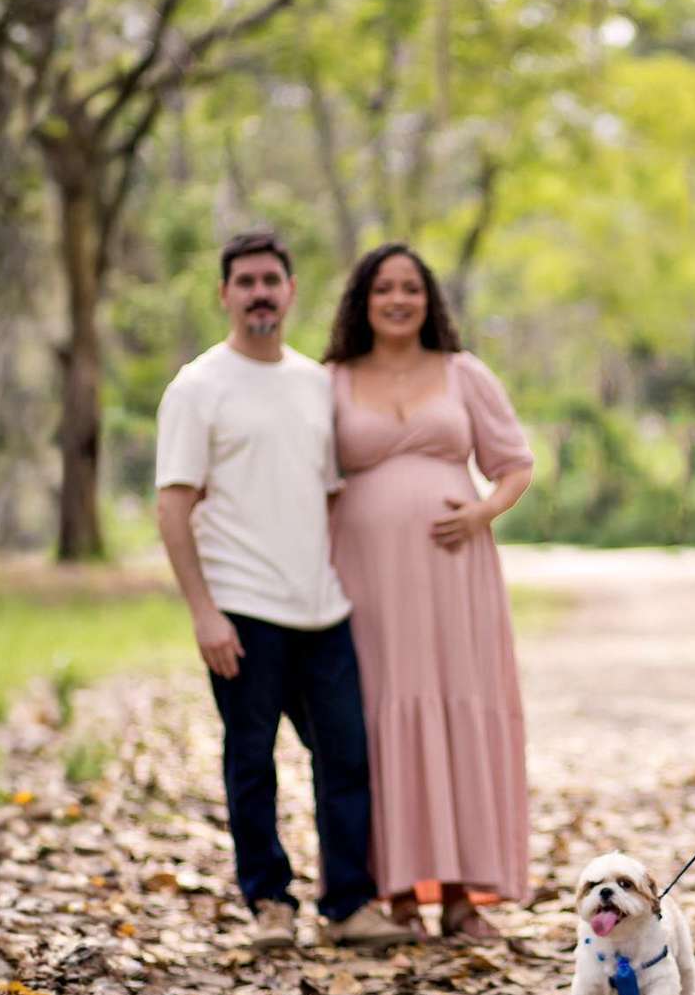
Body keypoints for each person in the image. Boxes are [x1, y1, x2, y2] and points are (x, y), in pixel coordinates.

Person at [155, 227, 403, 952]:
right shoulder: (199, 385)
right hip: (242, 608)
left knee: (347, 754)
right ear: (225, 294)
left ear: (291, 292)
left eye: (272, 280)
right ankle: (269, 902)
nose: (260, 293)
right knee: (252, 758)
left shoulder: (314, 383)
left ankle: (349, 904)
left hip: (321, 607)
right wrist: (204, 613)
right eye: (246, 282)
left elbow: (327, 498)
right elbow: (173, 508)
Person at [324, 243, 534, 941]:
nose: (397, 299)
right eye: (383, 287)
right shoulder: (331, 379)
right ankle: (395, 893)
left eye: (410, 287)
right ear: (363, 299)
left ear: (427, 299)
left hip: (455, 578)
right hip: (365, 578)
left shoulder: (462, 373)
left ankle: (460, 896)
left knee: (456, 710)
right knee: (377, 719)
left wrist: (479, 512)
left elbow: (514, 464)